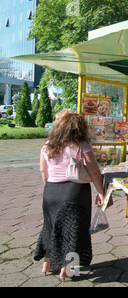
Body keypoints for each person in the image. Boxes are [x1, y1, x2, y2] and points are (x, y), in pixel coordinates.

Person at [34, 110, 105, 282]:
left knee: (52, 229)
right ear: (79, 127)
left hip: (50, 192)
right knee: (74, 231)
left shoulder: (47, 145)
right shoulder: (81, 146)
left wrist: (50, 190)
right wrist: (101, 192)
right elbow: (94, 171)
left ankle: (47, 263)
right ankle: (68, 270)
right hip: (75, 193)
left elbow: (44, 172)